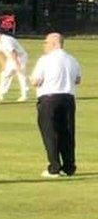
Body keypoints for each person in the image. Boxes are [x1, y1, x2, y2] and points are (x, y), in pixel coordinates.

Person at [31, 33, 82, 178]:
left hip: (49, 99)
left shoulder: (45, 60)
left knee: (50, 133)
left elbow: (35, 81)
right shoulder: (72, 59)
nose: (44, 45)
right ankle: (69, 166)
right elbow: (78, 79)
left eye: (46, 42)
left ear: (54, 43)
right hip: (68, 99)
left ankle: (54, 167)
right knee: (67, 133)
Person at [0, 27, 29, 102]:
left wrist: (17, 64)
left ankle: (25, 95)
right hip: (10, 58)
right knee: (4, 75)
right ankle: (0, 94)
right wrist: (3, 65)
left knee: (21, 75)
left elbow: (13, 52)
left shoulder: (6, 40)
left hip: (20, 57)